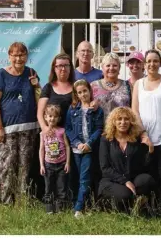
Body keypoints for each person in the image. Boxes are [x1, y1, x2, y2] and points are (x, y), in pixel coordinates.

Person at [132, 49, 161, 214]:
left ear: (160, 63)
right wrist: (143, 134)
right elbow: (135, 111)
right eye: (149, 61)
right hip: (146, 139)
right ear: (144, 64)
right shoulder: (138, 84)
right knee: (148, 175)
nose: (152, 64)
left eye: (155, 61)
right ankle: (150, 208)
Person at [0, 42, 39, 204]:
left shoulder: (31, 73)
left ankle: (23, 201)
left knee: (25, 167)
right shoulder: (1, 75)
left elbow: (39, 97)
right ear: (9, 56)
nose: (18, 58)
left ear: (26, 56)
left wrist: (37, 85)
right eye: (15, 55)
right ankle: (6, 202)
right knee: (7, 167)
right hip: (7, 129)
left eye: (22, 55)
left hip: (30, 127)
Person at [98, 107, 156, 213]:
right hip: (112, 180)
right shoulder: (106, 139)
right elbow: (105, 168)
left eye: (126, 119)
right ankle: (123, 207)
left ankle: (139, 205)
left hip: (133, 177)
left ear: (131, 122)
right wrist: (125, 181)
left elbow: (144, 165)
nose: (123, 122)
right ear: (114, 122)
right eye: (119, 119)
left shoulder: (136, 139)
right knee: (124, 194)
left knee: (146, 180)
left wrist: (151, 151)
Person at [65, 79, 104, 218]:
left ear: (90, 91)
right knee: (78, 178)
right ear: (76, 94)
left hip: (89, 149)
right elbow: (68, 128)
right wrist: (76, 143)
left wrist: (89, 143)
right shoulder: (72, 109)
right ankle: (84, 204)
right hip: (77, 150)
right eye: (79, 92)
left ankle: (78, 208)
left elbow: (99, 129)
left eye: (85, 91)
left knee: (85, 178)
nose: (83, 94)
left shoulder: (96, 110)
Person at [39, 105, 71, 214]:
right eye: (50, 116)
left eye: (55, 117)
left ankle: (60, 209)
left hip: (61, 165)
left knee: (61, 188)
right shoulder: (43, 133)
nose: (52, 119)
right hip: (48, 165)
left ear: (59, 119)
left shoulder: (62, 131)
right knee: (48, 188)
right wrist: (42, 165)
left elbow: (67, 146)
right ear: (45, 117)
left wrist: (67, 163)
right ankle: (49, 210)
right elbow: (41, 149)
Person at [37, 53, 75, 133]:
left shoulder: (76, 87)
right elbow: (40, 113)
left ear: (70, 68)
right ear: (54, 68)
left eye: (66, 65)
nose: (63, 69)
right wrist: (45, 128)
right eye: (60, 66)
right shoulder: (48, 88)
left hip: (73, 135)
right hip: (53, 135)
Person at [90, 52, 131, 119]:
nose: (111, 68)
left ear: (119, 68)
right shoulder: (93, 86)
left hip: (122, 128)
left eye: (115, 65)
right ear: (102, 68)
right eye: (108, 65)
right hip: (99, 128)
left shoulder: (127, 85)